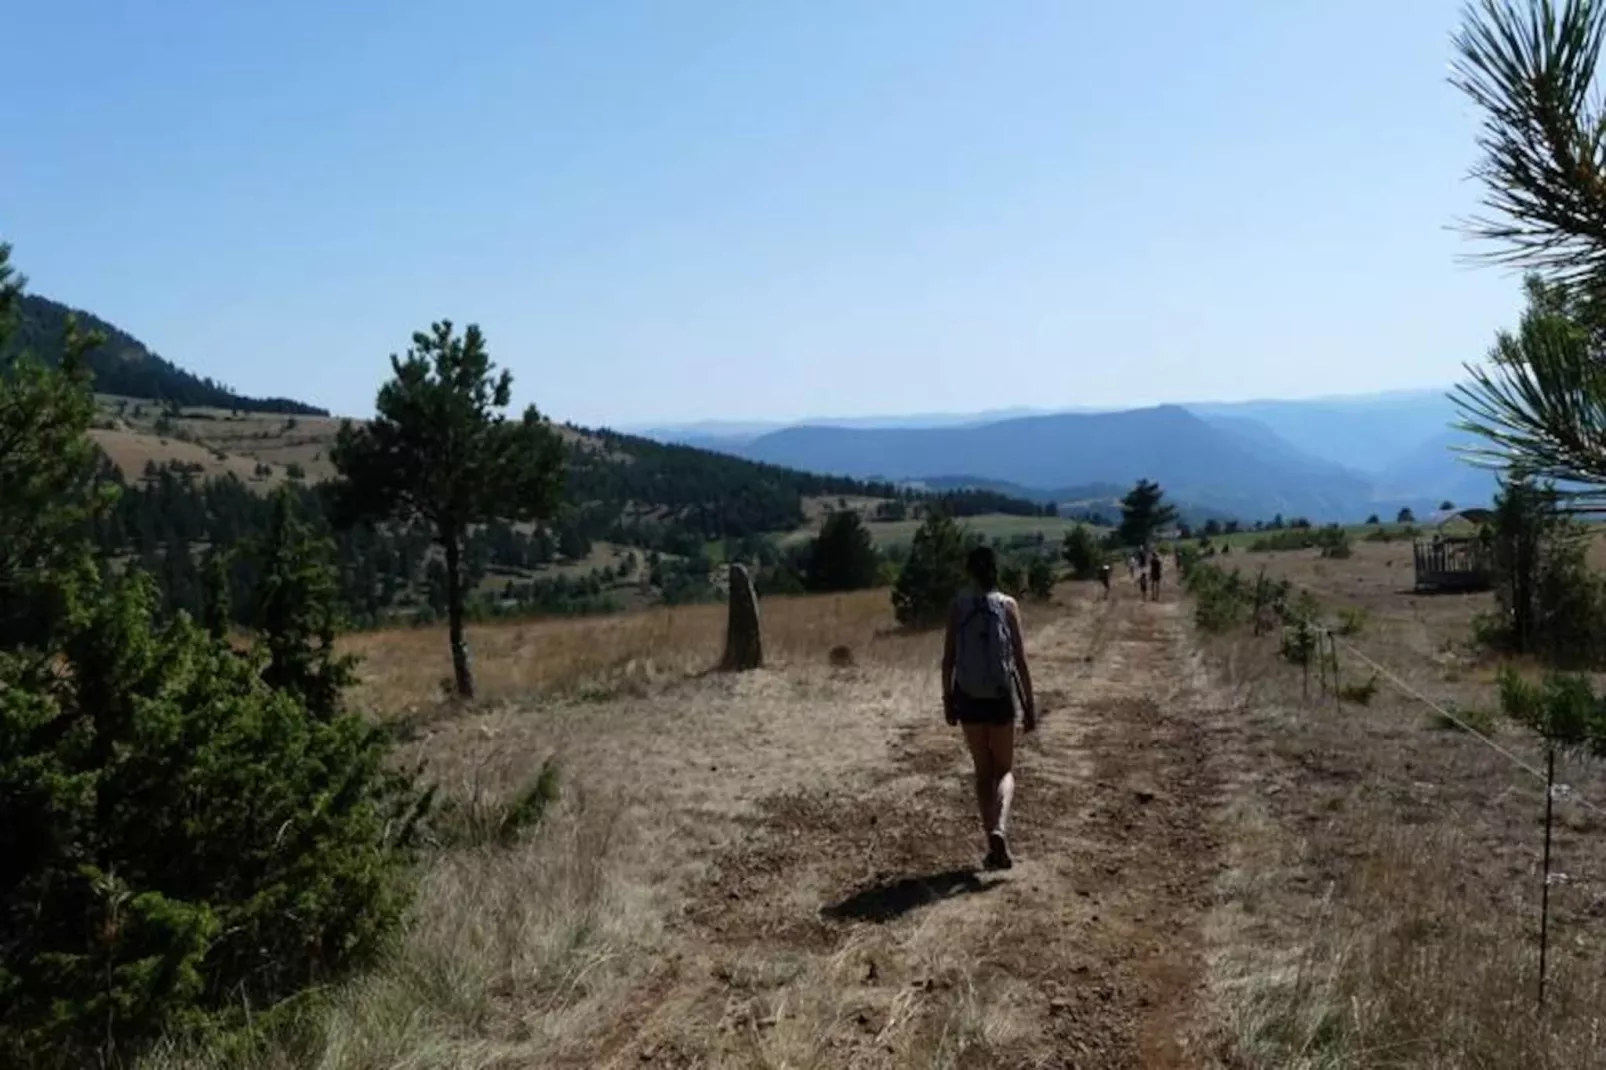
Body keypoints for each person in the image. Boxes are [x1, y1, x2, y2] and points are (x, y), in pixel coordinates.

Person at [942, 546, 1036, 870]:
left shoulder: (957, 606)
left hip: (968, 697)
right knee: (1005, 770)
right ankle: (1000, 828)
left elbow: (948, 660)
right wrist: (1030, 706)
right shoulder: (1008, 605)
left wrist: (948, 702)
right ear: (995, 570)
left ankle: (991, 841)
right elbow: (1020, 662)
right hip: (1000, 697)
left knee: (983, 772)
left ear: (969, 572)